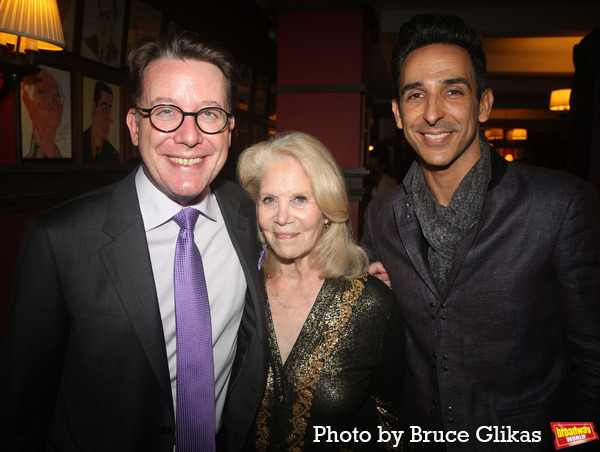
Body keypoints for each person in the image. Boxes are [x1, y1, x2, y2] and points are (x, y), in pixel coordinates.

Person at [0, 31, 267, 452]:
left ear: (230, 131)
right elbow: (21, 408)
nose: (190, 136)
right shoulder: (59, 240)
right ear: (134, 127)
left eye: (210, 114)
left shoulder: (251, 214)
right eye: (165, 112)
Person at [361, 13, 600, 451]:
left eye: (453, 91)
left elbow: (594, 365)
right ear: (397, 113)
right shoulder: (381, 214)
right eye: (416, 95)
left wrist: (572, 446)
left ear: (484, 104)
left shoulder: (560, 206)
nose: (433, 113)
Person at [237, 131, 404, 451]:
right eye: (269, 199)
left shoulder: (371, 305)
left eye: (300, 198)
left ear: (328, 209)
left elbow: (393, 418)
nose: (282, 217)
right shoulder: (241, 290)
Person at [22, 70, 64, 158]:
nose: (51, 102)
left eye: (56, 96)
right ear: (28, 103)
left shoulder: (65, 160)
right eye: (43, 96)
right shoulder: (27, 165)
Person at [82, 80, 119, 161]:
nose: (109, 119)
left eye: (110, 110)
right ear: (94, 107)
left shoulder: (113, 154)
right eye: (103, 109)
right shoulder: (80, 144)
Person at [82, 0, 120, 65]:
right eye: (101, 15)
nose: (103, 23)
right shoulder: (86, 44)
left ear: (113, 22)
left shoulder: (116, 54)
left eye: (107, 17)